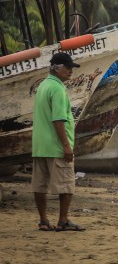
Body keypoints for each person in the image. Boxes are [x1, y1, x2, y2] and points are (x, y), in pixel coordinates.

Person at [31, 51, 85, 232]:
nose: (71, 71)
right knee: (67, 184)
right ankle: (63, 220)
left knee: (40, 184)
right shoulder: (58, 88)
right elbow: (58, 119)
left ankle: (44, 220)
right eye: (68, 68)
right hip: (56, 146)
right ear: (56, 68)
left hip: (40, 146)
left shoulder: (43, 86)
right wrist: (66, 146)